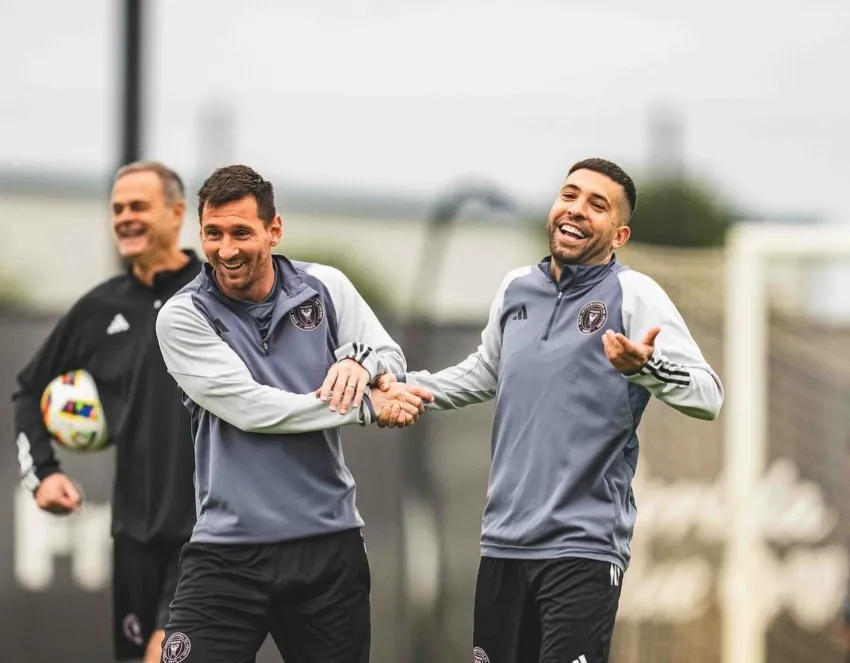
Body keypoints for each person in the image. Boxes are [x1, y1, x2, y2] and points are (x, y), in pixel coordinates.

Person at [376, 158, 725, 663]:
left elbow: (708, 395)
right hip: (503, 544)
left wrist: (643, 368)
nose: (577, 210)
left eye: (597, 205)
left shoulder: (634, 293)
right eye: (570, 195)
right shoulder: (517, 288)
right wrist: (403, 386)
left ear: (619, 233)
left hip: (581, 549)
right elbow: (483, 373)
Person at [154, 164, 432, 663]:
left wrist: (358, 361)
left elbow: (390, 357)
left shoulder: (325, 286)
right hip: (227, 555)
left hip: (328, 549)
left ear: (274, 230)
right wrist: (364, 406)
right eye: (213, 234)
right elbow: (252, 408)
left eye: (242, 232)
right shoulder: (182, 316)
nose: (227, 249)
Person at [13, 161, 203, 663]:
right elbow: (29, 389)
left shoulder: (216, 296)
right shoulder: (99, 309)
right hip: (134, 535)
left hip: (210, 534)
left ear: (176, 212)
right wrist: (44, 476)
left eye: (138, 206)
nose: (124, 218)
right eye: (117, 208)